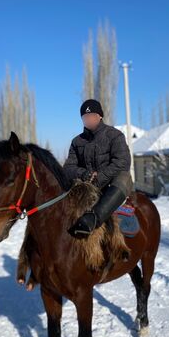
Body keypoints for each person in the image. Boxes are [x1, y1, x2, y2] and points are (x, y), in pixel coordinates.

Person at [63, 98, 133, 238]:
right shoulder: (77, 141)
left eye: (92, 116)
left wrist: (100, 176)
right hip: (86, 186)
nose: (88, 119)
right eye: (85, 117)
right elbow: (68, 167)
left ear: (100, 116)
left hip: (111, 186)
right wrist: (85, 174)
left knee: (124, 177)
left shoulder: (115, 135)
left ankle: (93, 219)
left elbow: (123, 161)